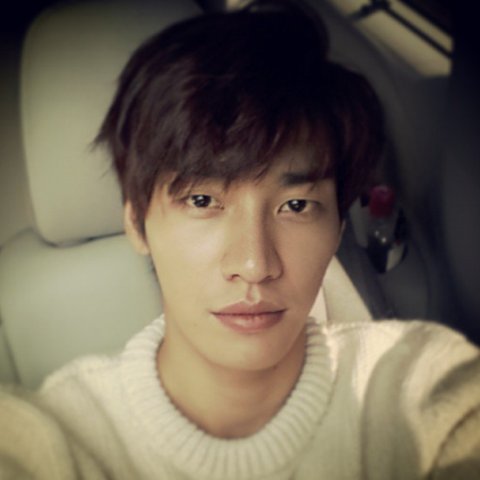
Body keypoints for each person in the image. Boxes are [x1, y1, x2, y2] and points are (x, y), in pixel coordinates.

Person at [1, 1, 479, 479]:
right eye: (203, 201)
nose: (254, 265)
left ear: (337, 228)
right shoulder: (48, 445)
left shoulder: (420, 391)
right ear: (136, 222)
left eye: (296, 206)